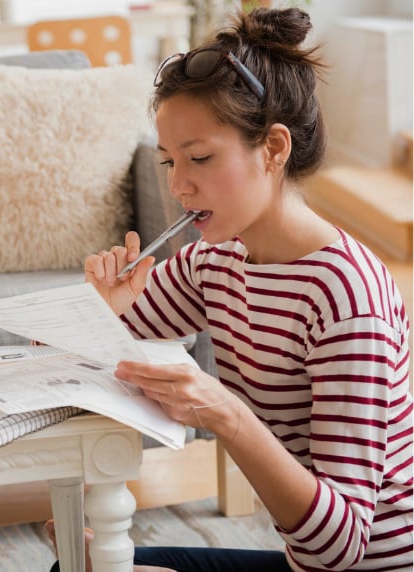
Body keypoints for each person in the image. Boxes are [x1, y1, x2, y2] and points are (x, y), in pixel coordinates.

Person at [48, 6, 412, 572]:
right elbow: (63, 358)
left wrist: (228, 413)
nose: (178, 184)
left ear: (273, 149)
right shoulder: (215, 260)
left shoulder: (346, 298)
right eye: (170, 160)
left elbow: (340, 546)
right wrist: (104, 312)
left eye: (200, 158)